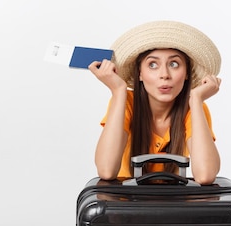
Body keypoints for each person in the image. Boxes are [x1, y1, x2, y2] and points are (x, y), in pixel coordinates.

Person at [87, 20, 222, 185]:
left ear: (187, 73)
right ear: (140, 74)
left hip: (175, 206)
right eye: (152, 65)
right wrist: (118, 91)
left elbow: (206, 175)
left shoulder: (194, 107)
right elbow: (106, 171)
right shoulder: (126, 102)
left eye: (174, 64)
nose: (164, 74)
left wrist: (197, 100)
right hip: (126, 205)